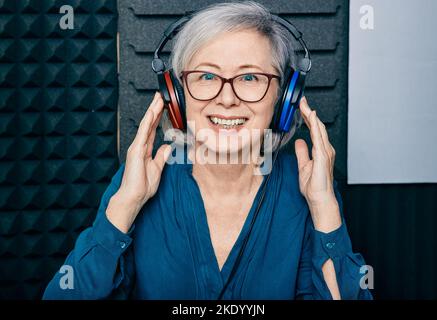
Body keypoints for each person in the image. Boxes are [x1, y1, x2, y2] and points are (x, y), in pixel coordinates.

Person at [43, 1, 372, 300]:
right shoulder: (134, 186)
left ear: (284, 97)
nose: (227, 99)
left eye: (249, 77)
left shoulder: (306, 190)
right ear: (178, 96)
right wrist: (124, 208)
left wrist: (324, 208)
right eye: (205, 75)